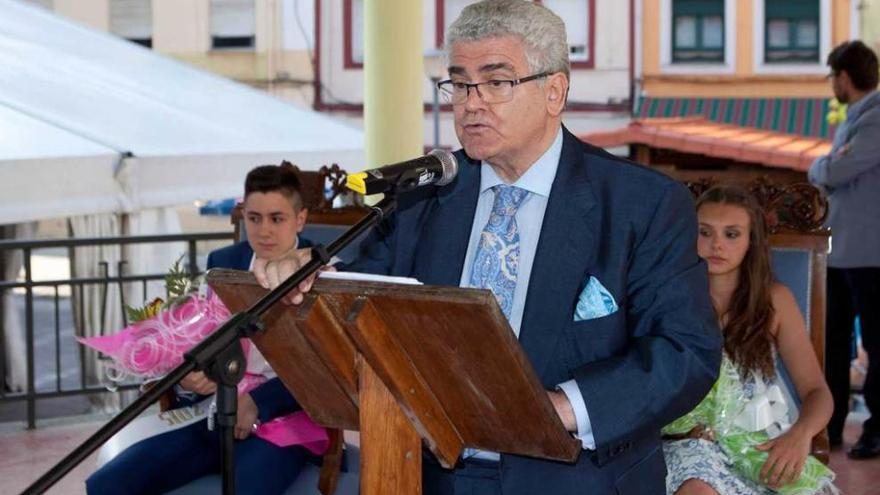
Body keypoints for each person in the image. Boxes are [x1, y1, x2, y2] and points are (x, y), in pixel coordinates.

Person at [255, 1, 721, 493]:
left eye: (497, 82)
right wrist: (308, 274)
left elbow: (684, 352)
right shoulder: (423, 196)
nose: (471, 103)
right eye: (459, 83)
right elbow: (363, 289)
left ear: (554, 91)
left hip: (576, 476)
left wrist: (562, 407)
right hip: (436, 473)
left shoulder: (640, 203)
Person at [86, 164, 315, 495]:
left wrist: (259, 403)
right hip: (213, 410)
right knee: (109, 484)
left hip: (283, 420)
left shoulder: (322, 271)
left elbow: (324, 371)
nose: (263, 230)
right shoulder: (223, 261)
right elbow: (202, 330)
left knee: (246, 488)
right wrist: (191, 374)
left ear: (301, 219)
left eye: (276, 219)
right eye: (254, 218)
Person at [662, 185, 835, 494]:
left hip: (760, 444)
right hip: (688, 446)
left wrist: (801, 435)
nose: (717, 245)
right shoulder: (667, 299)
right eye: (705, 232)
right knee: (696, 488)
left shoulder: (775, 301)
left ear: (750, 242)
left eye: (731, 234)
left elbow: (817, 391)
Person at [808, 40, 880, 459]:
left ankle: (876, 427)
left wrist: (823, 165)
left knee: (875, 342)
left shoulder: (874, 119)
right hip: (844, 253)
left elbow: (834, 170)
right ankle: (829, 427)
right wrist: (831, 164)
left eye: (833, 76)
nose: (832, 84)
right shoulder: (859, 117)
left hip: (870, 256)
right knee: (831, 342)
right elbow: (837, 167)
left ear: (845, 78)